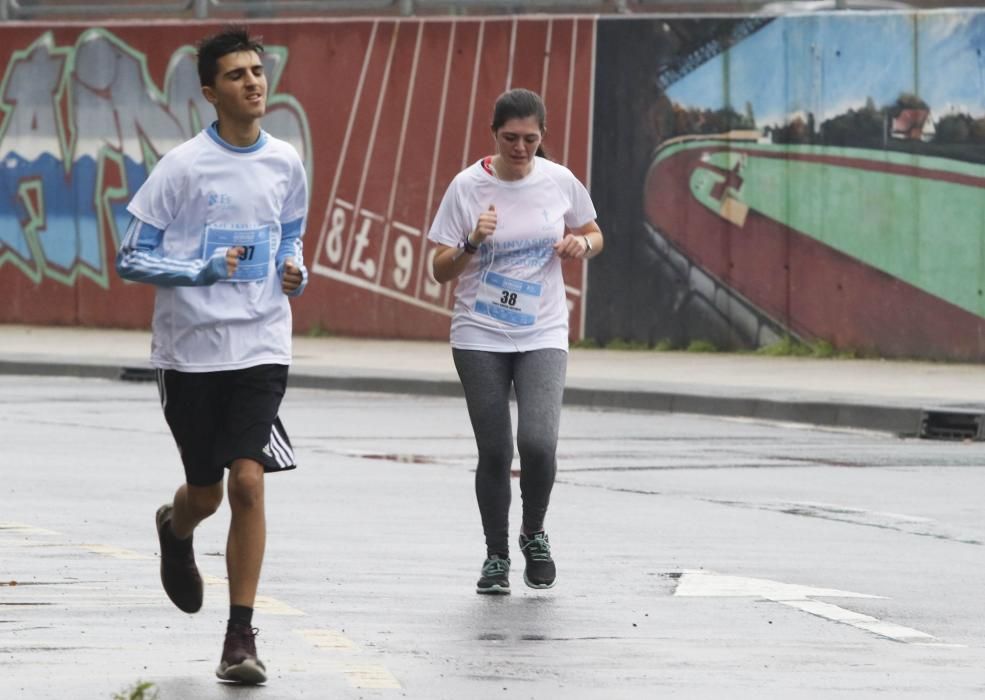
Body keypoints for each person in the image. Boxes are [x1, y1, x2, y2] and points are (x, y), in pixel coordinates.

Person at [115, 27, 309, 684]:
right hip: (190, 353)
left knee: (248, 481)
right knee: (208, 493)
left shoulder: (285, 160)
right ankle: (175, 528)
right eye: (236, 75)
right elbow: (130, 257)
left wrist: (293, 268)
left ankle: (240, 638)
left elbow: (290, 234)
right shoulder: (183, 167)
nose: (253, 82)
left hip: (260, 343)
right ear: (210, 92)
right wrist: (197, 270)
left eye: (257, 71)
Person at [427, 88, 604, 595]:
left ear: (542, 135)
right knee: (496, 450)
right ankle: (496, 555)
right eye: (510, 139)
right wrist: (471, 242)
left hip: (543, 330)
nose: (520, 148)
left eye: (530, 139)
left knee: (539, 444)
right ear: (493, 135)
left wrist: (581, 244)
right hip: (479, 333)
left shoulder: (560, 182)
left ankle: (534, 533)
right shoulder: (467, 187)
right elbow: (440, 271)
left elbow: (595, 233)